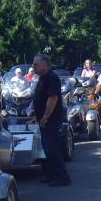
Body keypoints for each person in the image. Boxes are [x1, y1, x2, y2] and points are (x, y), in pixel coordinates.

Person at [32, 54, 70, 186]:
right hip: (44, 120)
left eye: (36, 64)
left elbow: (52, 98)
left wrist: (45, 116)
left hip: (50, 120)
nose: (33, 66)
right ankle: (51, 174)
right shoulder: (43, 78)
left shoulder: (51, 78)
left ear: (45, 64)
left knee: (53, 148)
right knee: (47, 148)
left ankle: (62, 176)